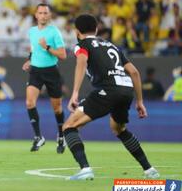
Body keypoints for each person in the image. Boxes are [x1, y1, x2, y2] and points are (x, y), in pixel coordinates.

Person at [64, 14, 159, 180]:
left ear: (77, 32)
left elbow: (81, 61)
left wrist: (75, 93)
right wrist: (140, 101)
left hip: (108, 90)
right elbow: (134, 72)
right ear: (96, 29)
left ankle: (85, 169)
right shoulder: (112, 46)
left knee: (69, 126)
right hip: (126, 90)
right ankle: (149, 170)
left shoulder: (82, 45)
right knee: (119, 129)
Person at [22, 3, 67, 153]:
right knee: (29, 103)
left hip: (51, 72)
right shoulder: (32, 31)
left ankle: (61, 136)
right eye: (40, 13)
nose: (43, 15)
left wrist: (47, 47)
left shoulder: (55, 32)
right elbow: (34, 48)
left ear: (49, 15)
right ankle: (38, 137)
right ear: (36, 15)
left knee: (57, 108)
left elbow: (63, 55)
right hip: (35, 70)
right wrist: (30, 59)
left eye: (45, 13)